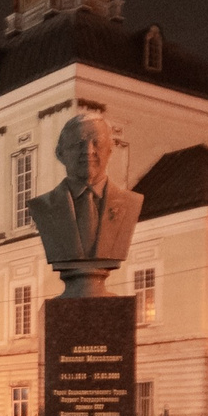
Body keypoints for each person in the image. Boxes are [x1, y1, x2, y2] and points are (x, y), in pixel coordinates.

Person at [26, 111, 143, 297]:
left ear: (109, 151)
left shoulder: (131, 203)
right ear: (60, 153)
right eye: (78, 144)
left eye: (97, 142)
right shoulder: (44, 207)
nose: (88, 150)